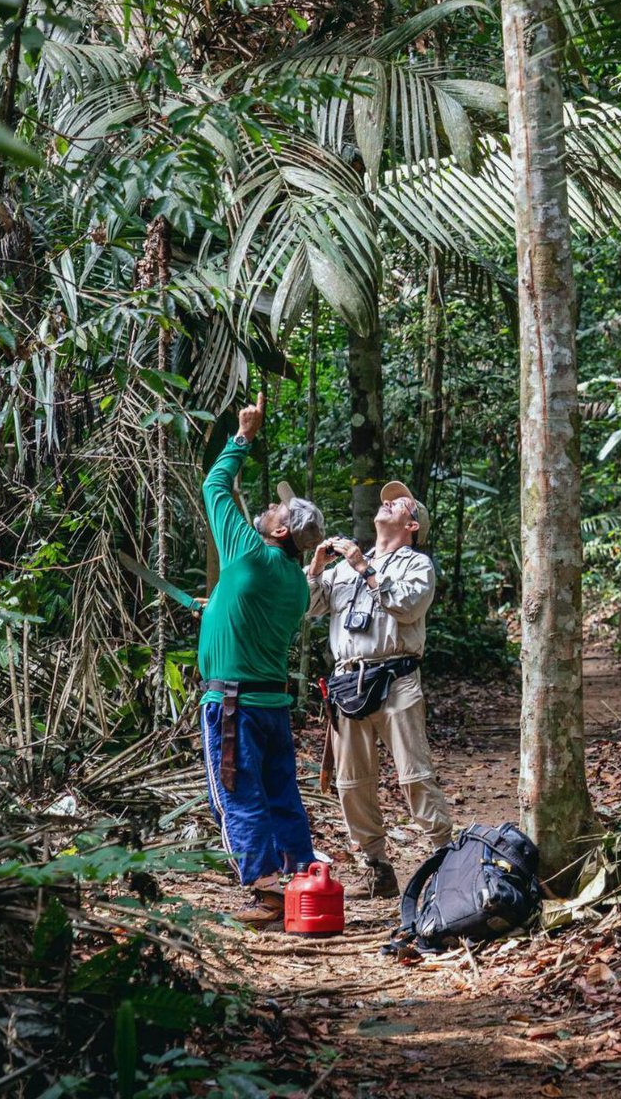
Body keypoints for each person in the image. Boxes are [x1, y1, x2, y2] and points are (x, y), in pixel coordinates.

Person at [199, 393, 326, 925]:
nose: (267, 509)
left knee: (236, 794)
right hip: (271, 705)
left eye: (273, 510)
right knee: (280, 792)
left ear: (278, 533)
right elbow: (248, 609)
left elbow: (213, 487)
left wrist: (243, 435)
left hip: (233, 705)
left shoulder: (249, 555)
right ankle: (302, 878)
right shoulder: (297, 585)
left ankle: (266, 889)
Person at [306, 482, 452, 899]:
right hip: (346, 680)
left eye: (400, 501)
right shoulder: (345, 567)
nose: (388, 500)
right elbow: (309, 605)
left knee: (414, 774)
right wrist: (317, 567)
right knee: (351, 780)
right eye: (387, 498)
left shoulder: (417, 565)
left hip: (396, 677)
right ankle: (376, 865)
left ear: (411, 524)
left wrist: (365, 569)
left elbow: (407, 606)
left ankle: (444, 856)